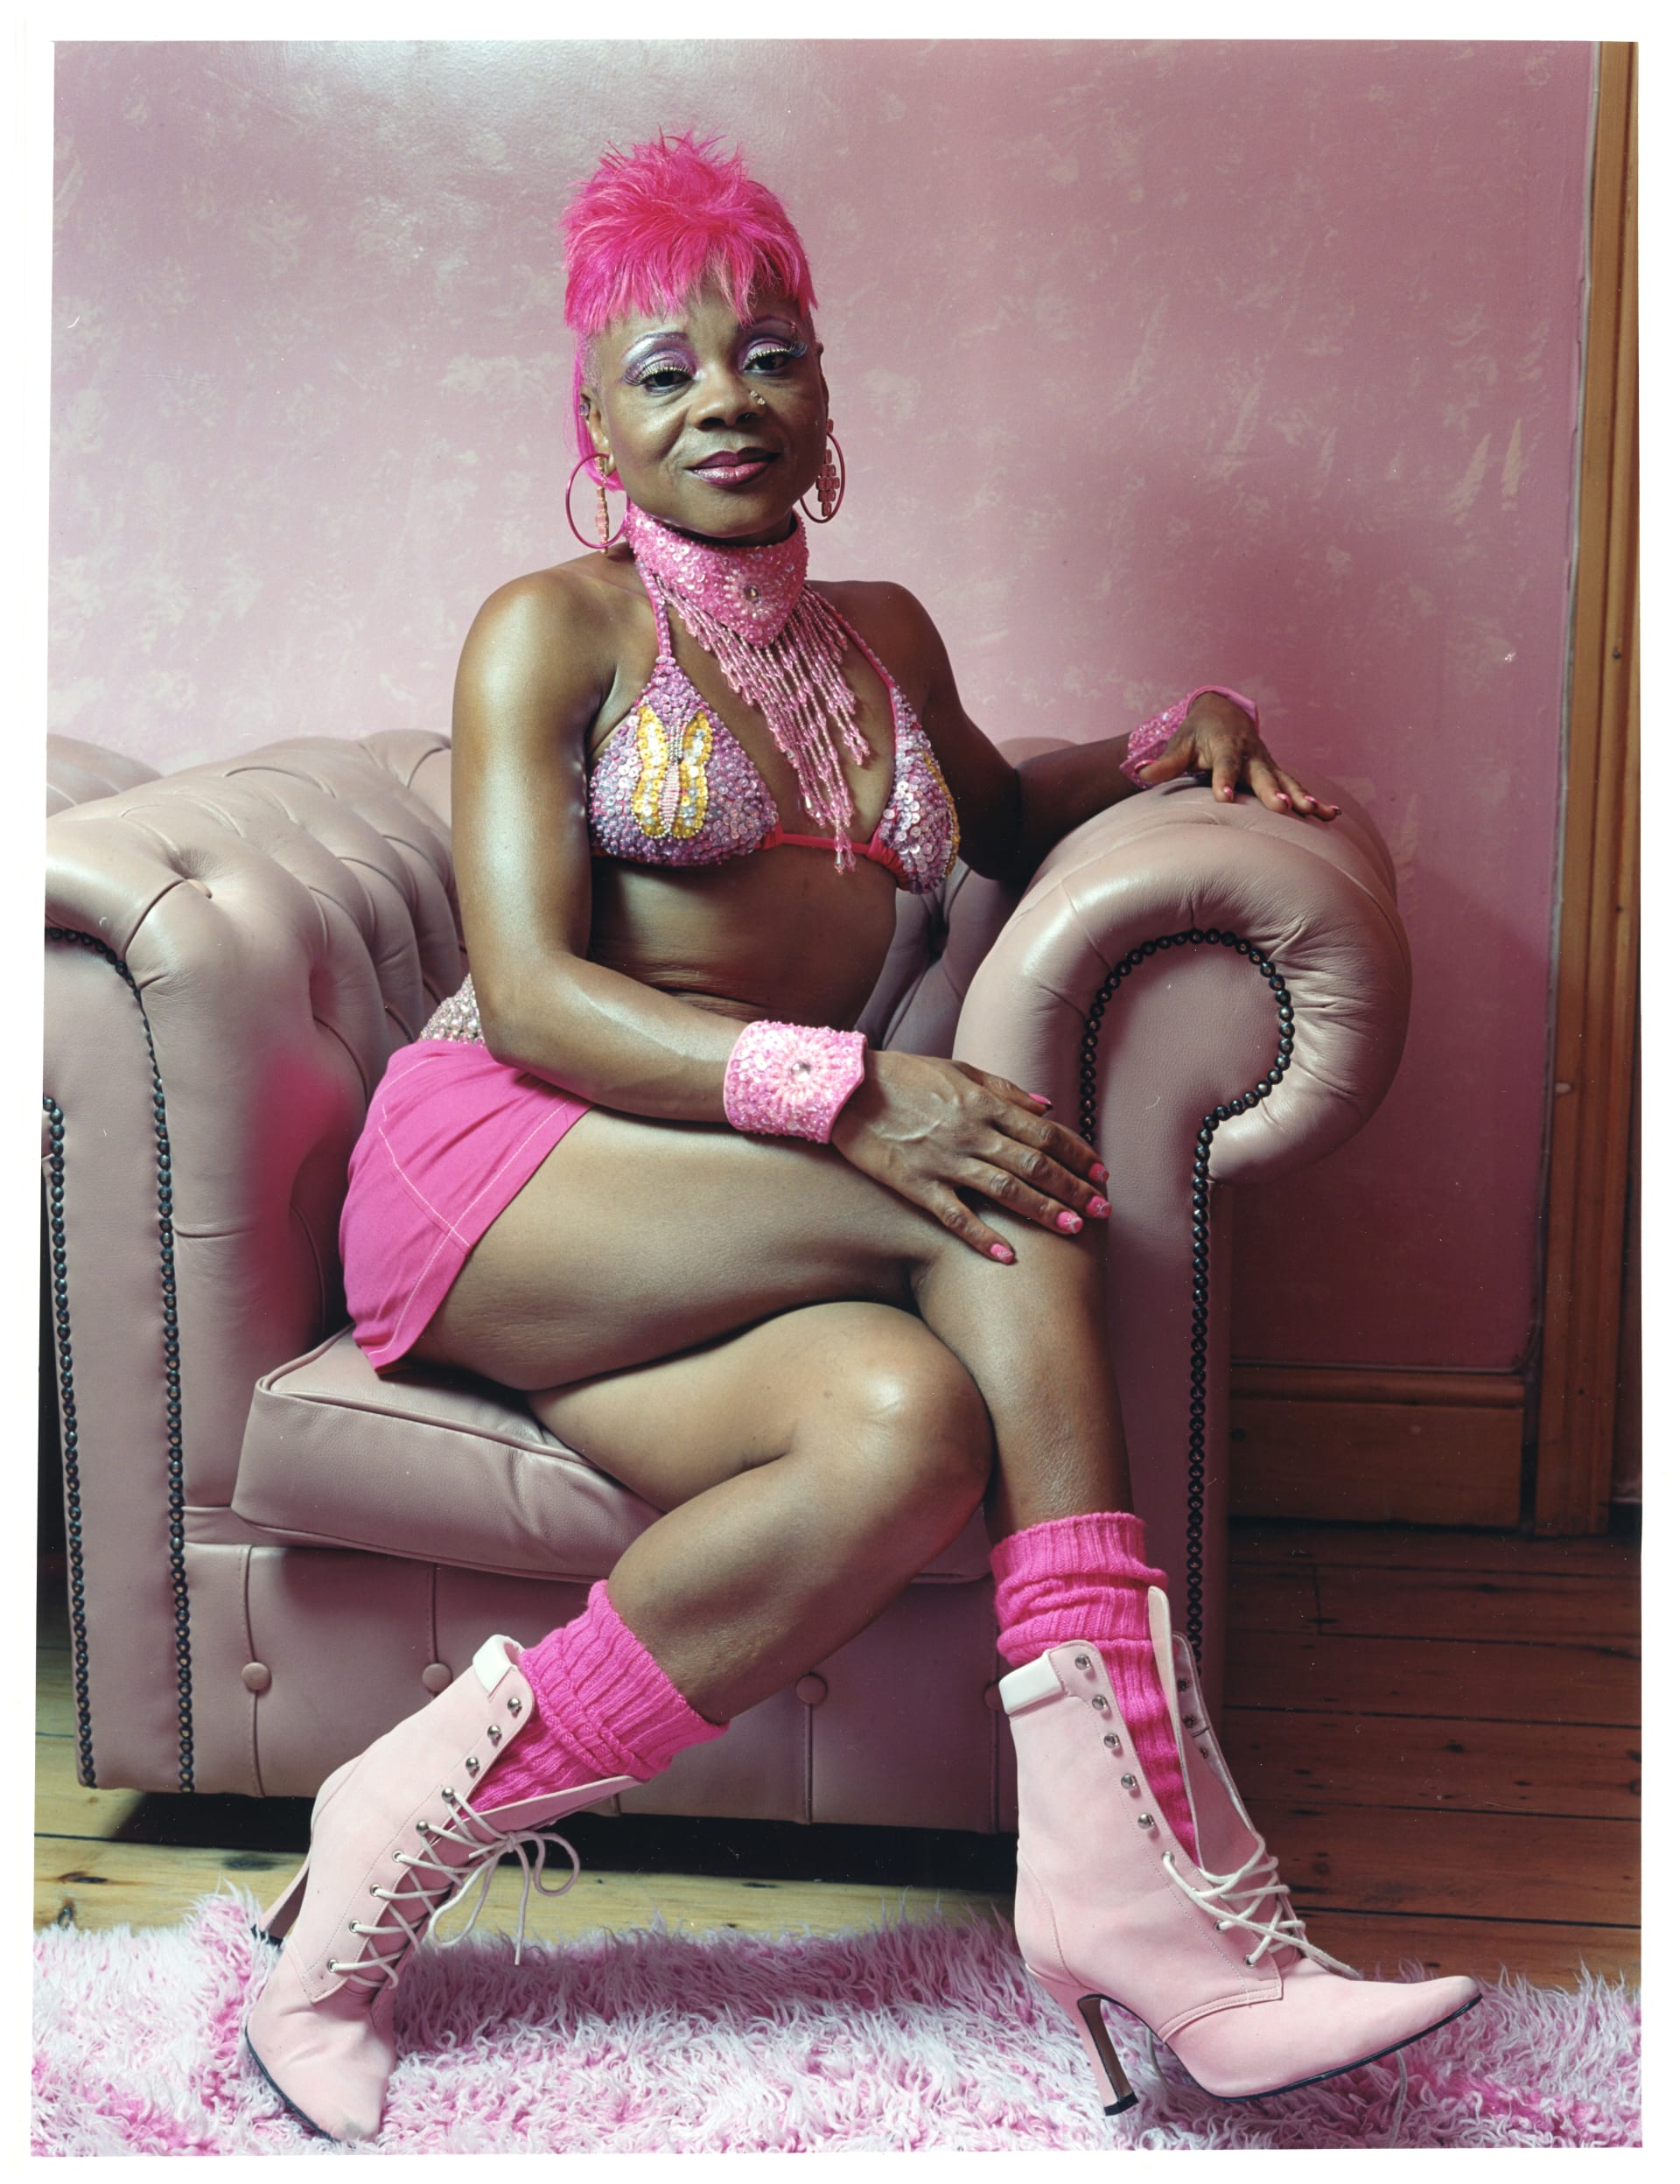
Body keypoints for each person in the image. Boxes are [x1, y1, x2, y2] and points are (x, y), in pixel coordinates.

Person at [242, 131, 1476, 2143]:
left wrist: (1184, 733)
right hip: (515, 1168)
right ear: (596, 432)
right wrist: (853, 1089)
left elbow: (1010, 814)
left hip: (722, 1220)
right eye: (667, 371)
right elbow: (539, 993)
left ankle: (377, 1845)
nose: (725, 395)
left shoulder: (884, 638)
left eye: (771, 353)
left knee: (904, 1436)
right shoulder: (544, 634)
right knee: (1009, 1202)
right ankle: (1156, 1901)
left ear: (825, 402)